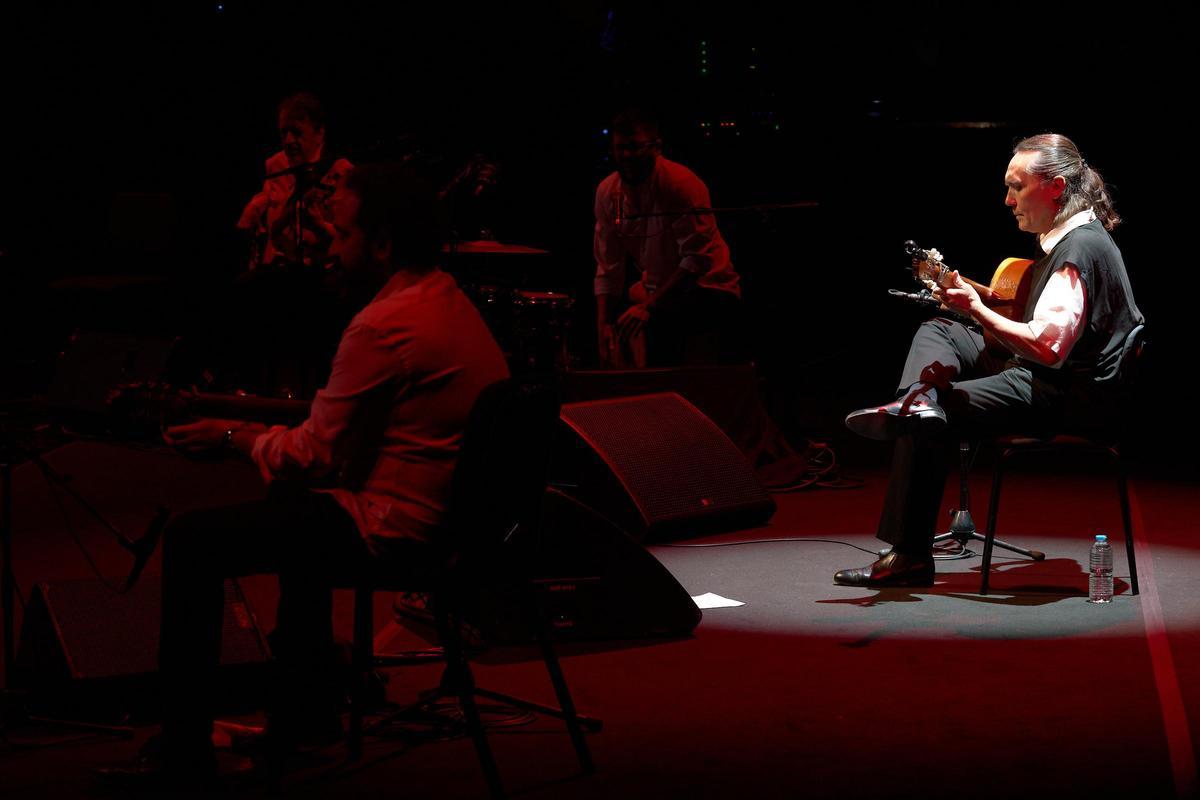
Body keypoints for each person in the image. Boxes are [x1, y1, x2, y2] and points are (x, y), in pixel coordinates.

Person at [100, 163, 509, 785]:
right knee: (301, 505)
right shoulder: (449, 300)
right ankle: (305, 710)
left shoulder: (381, 326)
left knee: (195, 540)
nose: (329, 249)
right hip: (458, 527)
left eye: (341, 235)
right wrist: (264, 439)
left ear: (382, 243)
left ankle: (183, 755)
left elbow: (318, 454)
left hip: (398, 534)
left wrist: (232, 437)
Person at [836, 133, 1144, 587]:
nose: (1007, 199)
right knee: (941, 327)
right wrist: (969, 302)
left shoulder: (1077, 251)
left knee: (930, 419)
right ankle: (914, 401)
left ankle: (910, 556)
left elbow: (1047, 347)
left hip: (1066, 394)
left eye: (1016, 187)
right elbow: (1037, 322)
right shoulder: (1069, 239)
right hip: (1045, 376)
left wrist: (977, 309)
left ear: (1056, 187)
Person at [593, 108, 742, 367]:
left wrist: (649, 307)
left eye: (634, 147)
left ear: (656, 146)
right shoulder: (608, 192)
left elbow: (696, 262)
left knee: (660, 326)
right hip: (659, 289)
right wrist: (603, 326)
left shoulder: (681, 184)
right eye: (620, 148)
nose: (626, 156)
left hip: (707, 287)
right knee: (622, 318)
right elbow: (608, 267)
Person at [237, 91, 353, 269]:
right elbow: (270, 196)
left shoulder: (341, 173)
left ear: (319, 133)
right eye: (284, 133)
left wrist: (319, 226)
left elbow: (351, 241)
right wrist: (255, 206)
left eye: (297, 132)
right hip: (275, 268)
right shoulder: (277, 165)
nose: (288, 140)